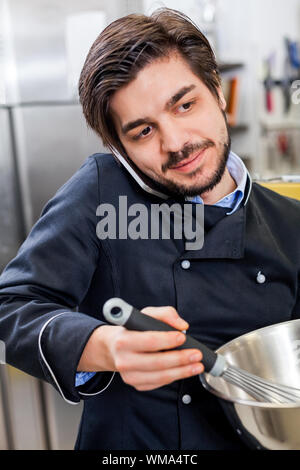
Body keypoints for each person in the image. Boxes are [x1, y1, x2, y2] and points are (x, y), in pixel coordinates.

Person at [0, 7, 299, 451]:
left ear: (217, 91)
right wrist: (103, 345)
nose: (176, 143)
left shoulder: (288, 220)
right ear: (118, 148)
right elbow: (14, 306)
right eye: (143, 131)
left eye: (185, 104)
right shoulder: (101, 192)